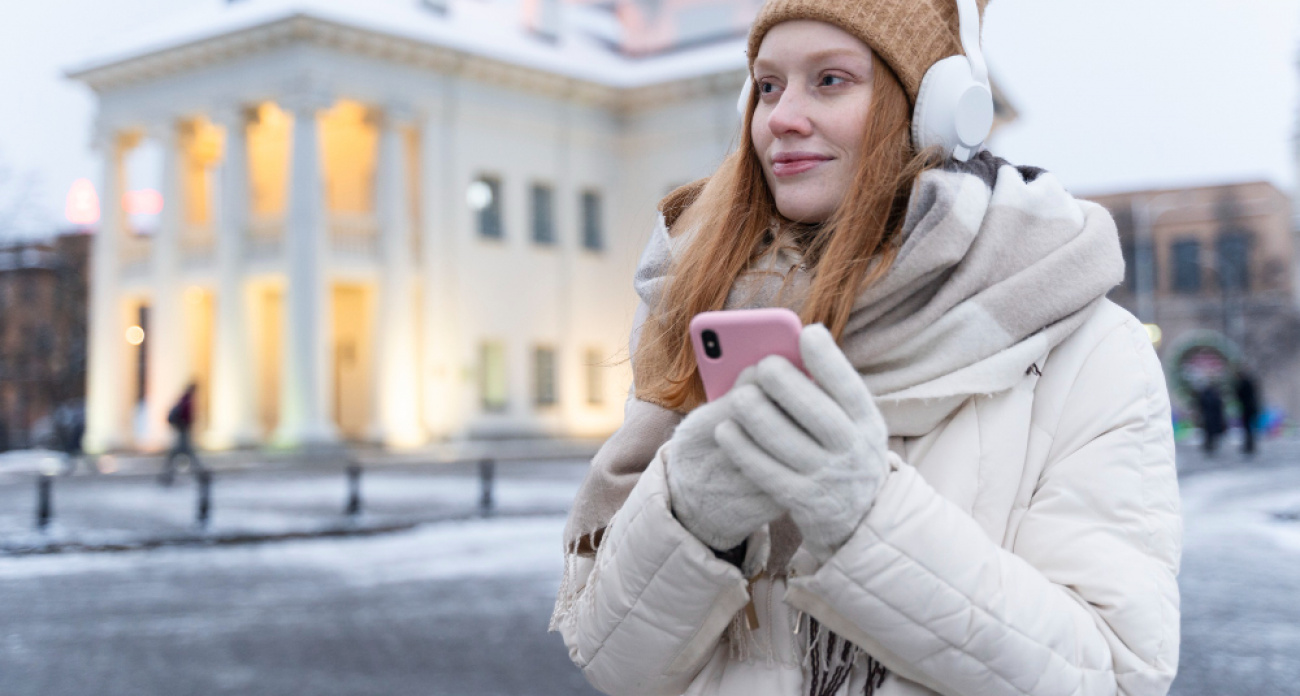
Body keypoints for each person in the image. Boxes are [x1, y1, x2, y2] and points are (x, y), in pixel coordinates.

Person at [550, 1, 1181, 695]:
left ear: (934, 110)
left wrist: (865, 520)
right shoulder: (698, 309)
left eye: (829, 80)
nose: (782, 118)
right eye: (767, 86)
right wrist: (689, 518)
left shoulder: (1083, 347)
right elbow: (616, 666)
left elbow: (1113, 679)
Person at [160, 382, 203, 486]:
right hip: (183, 430)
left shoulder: (183, 399)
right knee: (187, 453)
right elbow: (187, 416)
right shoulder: (187, 401)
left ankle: (167, 476)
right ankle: (201, 474)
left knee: (177, 454)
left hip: (181, 430)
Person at [1233, 368, 1260, 456]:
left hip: (1247, 408)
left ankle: (1249, 446)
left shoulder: (1243, 384)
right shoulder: (1249, 383)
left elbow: (1239, 395)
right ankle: (1250, 445)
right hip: (1251, 408)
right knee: (1250, 428)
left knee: (1248, 428)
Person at [1196, 383, 1225, 455]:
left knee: (1208, 432)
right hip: (1212, 416)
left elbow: (1201, 405)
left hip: (1208, 416)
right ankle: (1210, 444)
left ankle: (1209, 444)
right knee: (1210, 432)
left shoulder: (1205, 395)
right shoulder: (1215, 396)